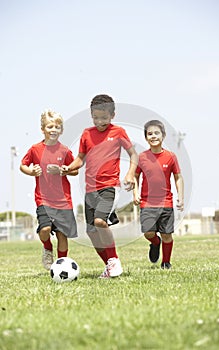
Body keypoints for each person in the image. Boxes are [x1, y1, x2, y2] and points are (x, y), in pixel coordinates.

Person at [61, 94, 138, 278]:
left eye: (104, 117)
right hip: (90, 190)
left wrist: (129, 174)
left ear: (112, 115)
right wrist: (68, 168)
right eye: (96, 117)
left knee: (100, 221)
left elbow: (134, 155)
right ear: (91, 114)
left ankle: (114, 259)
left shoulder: (118, 132)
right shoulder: (87, 134)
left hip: (110, 186)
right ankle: (109, 266)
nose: (100, 121)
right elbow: (80, 159)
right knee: (92, 232)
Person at [20, 109, 78, 270]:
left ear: (61, 130)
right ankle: (47, 247)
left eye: (57, 127)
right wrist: (31, 171)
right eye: (50, 127)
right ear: (43, 129)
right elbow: (23, 165)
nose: (53, 130)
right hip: (43, 199)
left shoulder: (64, 150)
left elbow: (75, 170)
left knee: (62, 234)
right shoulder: (35, 149)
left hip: (63, 201)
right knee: (45, 229)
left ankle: (62, 266)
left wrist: (63, 170)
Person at [133, 120, 184, 269]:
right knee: (148, 233)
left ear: (163, 136)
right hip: (147, 203)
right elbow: (135, 176)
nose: (153, 136)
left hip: (166, 202)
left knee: (167, 234)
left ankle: (166, 262)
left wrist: (180, 197)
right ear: (146, 137)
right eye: (150, 134)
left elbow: (178, 177)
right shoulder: (141, 157)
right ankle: (155, 243)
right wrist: (135, 193)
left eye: (156, 133)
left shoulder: (171, 157)